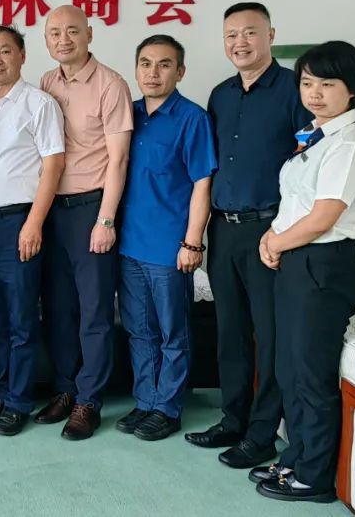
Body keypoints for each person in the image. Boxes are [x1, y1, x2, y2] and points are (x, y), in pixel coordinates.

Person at [185, 3, 312, 469]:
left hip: (269, 230)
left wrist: (283, 230)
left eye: (250, 32)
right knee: (230, 332)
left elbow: (308, 158)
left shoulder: (294, 90)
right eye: (231, 35)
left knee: (269, 335)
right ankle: (232, 419)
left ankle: (262, 434)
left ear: (270, 35)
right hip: (224, 228)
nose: (240, 42)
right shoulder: (220, 95)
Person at [250, 41, 355, 503]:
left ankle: (315, 477)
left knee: (311, 375)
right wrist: (273, 237)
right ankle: (296, 459)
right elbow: (298, 203)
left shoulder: (349, 145)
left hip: (324, 265)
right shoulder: (316, 135)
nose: (315, 93)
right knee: (289, 369)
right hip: (298, 260)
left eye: (327, 83)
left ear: (352, 90)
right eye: (307, 83)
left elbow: (323, 218)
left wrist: (275, 242)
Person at [36, 5, 133, 441]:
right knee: (59, 308)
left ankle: (89, 400)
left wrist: (106, 219)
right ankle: (66, 389)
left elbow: (119, 160)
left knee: (94, 310)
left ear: (89, 34)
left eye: (72, 31)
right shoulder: (46, 82)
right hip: (51, 210)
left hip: (91, 209)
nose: (64, 39)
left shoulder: (111, 84)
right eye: (55, 32)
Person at [115, 35, 216, 442]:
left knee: (173, 331)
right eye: (145, 63)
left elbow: (202, 183)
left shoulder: (192, 118)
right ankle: (146, 401)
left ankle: (168, 408)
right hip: (129, 244)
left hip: (169, 247)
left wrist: (193, 242)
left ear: (180, 71)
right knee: (139, 330)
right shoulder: (128, 114)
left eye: (164, 64)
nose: (153, 73)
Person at [0, 25, 64, 436]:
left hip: (19, 222)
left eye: (5, 51)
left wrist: (34, 223)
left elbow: (53, 165)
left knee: (21, 316)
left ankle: (19, 401)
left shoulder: (39, 104)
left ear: (22, 56)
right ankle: (3, 390)